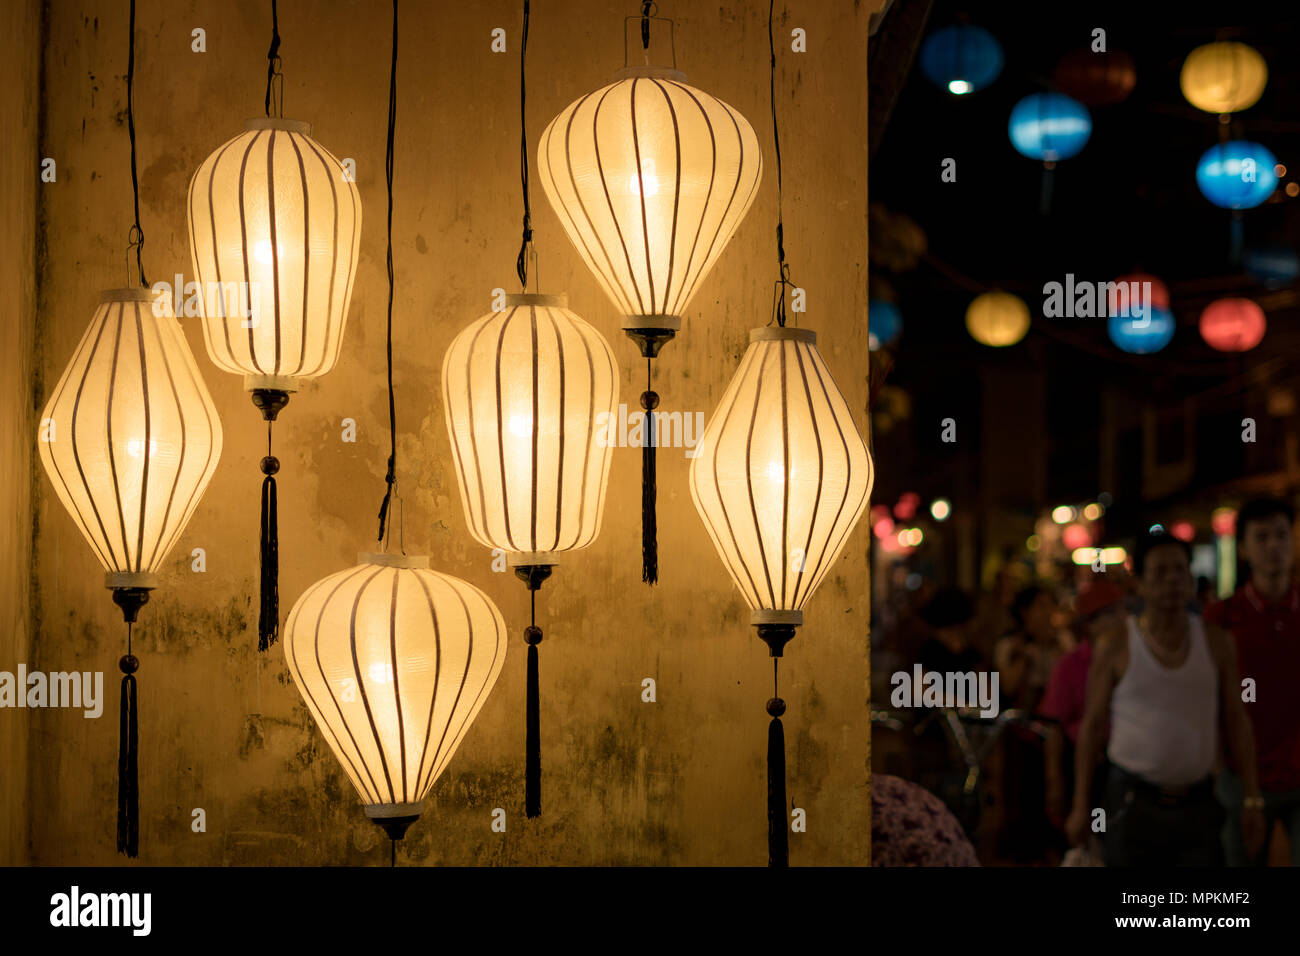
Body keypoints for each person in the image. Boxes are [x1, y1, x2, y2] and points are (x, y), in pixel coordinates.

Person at [1066, 530, 1265, 866]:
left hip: (1198, 802)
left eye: (1180, 570)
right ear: (1139, 582)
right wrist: (1081, 803)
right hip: (1131, 801)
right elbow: (1093, 726)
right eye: (1160, 572)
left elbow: (1236, 718)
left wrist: (1251, 798)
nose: (1172, 580)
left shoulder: (1216, 642)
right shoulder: (1116, 644)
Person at [1205, 498, 1300, 866]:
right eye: (1261, 538)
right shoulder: (1222, 616)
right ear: (1242, 548)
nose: (1274, 546)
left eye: (1281, 535)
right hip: (1239, 775)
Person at [1042, 580, 1125, 830]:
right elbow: (1054, 726)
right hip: (1087, 767)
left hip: (1126, 766)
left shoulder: (1133, 660)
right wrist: (1054, 780)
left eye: (1119, 612)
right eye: (1109, 614)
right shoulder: (1071, 665)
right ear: (1089, 625)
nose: (1119, 621)